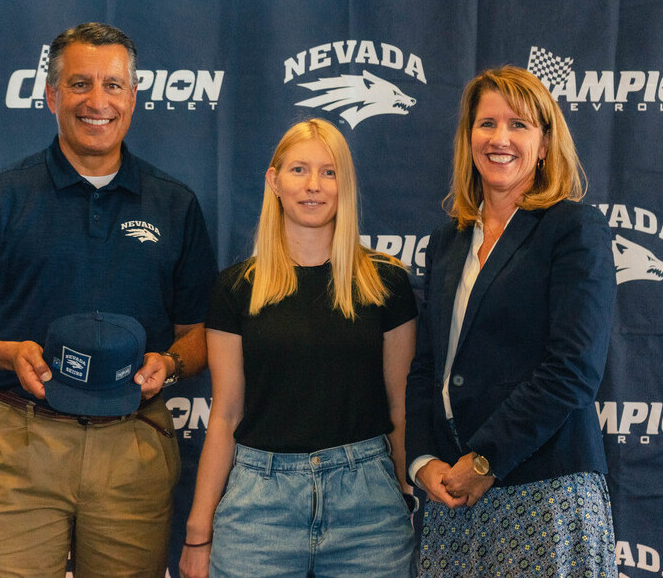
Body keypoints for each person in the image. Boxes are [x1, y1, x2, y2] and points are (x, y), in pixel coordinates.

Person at [0, 22, 218, 577]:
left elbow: (202, 331)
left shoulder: (175, 204)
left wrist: (173, 363)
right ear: (52, 96)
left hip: (132, 447)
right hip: (18, 445)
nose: (97, 101)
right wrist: (7, 353)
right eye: (80, 84)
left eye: (113, 85)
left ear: (133, 97)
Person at [178, 118, 417, 578]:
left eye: (329, 172)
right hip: (257, 509)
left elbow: (400, 408)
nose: (313, 186)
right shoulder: (235, 288)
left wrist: (406, 496)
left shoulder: (386, 282)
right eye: (299, 170)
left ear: (344, 185)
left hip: (368, 509)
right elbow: (226, 413)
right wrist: (197, 530)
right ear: (274, 181)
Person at [405, 66, 618, 576]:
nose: (500, 138)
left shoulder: (572, 228)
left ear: (544, 144)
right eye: (487, 124)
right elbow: (428, 365)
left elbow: (573, 368)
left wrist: (485, 462)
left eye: (519, 125)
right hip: (452, 497)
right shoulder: (446, 243)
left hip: (544, 490)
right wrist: (422, 462)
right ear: (468, 138)